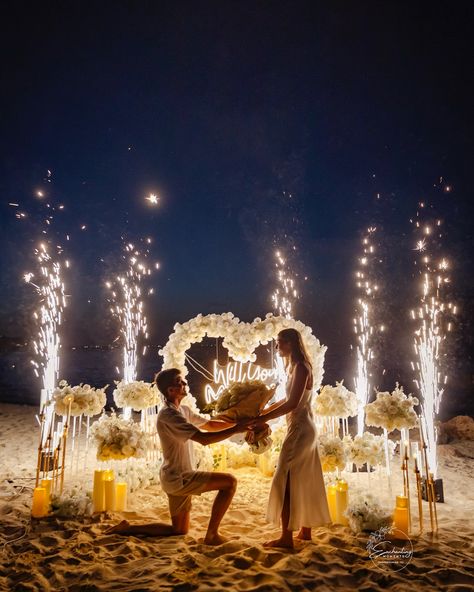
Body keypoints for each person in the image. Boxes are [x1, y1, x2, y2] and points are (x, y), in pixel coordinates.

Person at [106, 368, 252, 545]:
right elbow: (204, 439)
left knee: (179, 530)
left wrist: (240, 423)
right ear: (171, 390)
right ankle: (212, 534)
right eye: (179, 381)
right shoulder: (170, 415)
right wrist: (236, 429)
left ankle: (127, 528)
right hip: (180, 478)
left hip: (173, 475)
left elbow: (210, 425)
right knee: (230, 482)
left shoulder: (183, 410)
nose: (185, 383)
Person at [249, 328, 331, 549]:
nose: (277, 347)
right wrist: (261, 411)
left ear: (291, 343)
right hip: (303, 425)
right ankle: (305, 532)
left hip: (301, 428)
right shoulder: (297, 367)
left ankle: (286, 538)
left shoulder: (302, 368)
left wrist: (263, 418)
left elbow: (293, 404)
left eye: (279, 342)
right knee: (305, 477)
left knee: (285, 479)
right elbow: (287, 398)